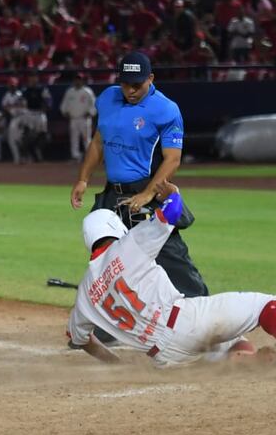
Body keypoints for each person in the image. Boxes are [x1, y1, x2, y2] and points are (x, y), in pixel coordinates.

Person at [68, 185, 276, 369]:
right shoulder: (128, 246)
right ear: (115, 229)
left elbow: (79, 339)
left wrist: (117, 364)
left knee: (228, 340)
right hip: (185, 322)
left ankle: (245, 361)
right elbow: (172, 212)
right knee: (266, 304)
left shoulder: (84, 293)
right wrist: (173, 193)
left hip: (164, 358)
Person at [70, 49, 208, 297]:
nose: (130, 90)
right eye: (125, 84)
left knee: (173, 261)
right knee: (105, 261)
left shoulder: (166, 109)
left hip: (148, 194)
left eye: (137, 84)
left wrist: (147, 194)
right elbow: (98, 142)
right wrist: (83, 179)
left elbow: (172, 159)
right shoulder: (107, 99)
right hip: (113, 196)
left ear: (151, 79)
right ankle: (105, 322)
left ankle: (206, 316)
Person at [59, 71, 97, 161]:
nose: (77, 81)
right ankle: (75, 156)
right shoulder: (70, 92)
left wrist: (90, 113)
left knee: (86, 139)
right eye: (76, 79)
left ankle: (89, 157)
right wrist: (65, 112)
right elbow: (64, 105)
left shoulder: (87, 91)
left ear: (82, 81)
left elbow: (95, 105)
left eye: (79, 80)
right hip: (73, 119)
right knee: (74, 139)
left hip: (84, 119)